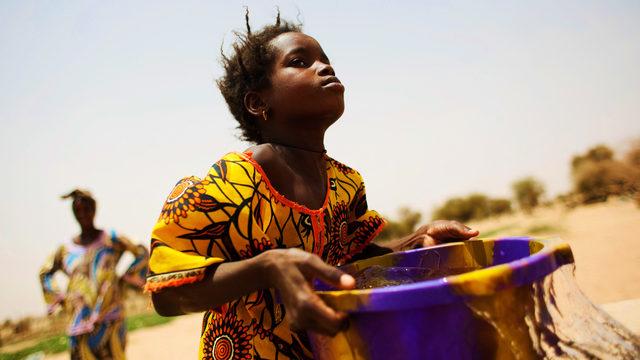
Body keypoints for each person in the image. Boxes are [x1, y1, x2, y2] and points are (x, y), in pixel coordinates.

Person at [145, 13, 479, 359]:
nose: (324, 68)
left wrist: (415, 245)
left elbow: (348, 263)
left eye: (326, 60)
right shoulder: (231, 183)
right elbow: (166, 295)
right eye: (300, 62)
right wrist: (267, 267)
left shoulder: (345, 184)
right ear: (258, 102)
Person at [39, 189, 149, 359]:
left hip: (111, 321)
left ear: (94, 209)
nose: (82, 213)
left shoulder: (110, 240)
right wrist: (59, 298)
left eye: (86, 209)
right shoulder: (65, 250)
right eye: (78, 210)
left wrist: (124, 280)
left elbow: (141, 252)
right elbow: (45, 273)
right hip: (79, 325)